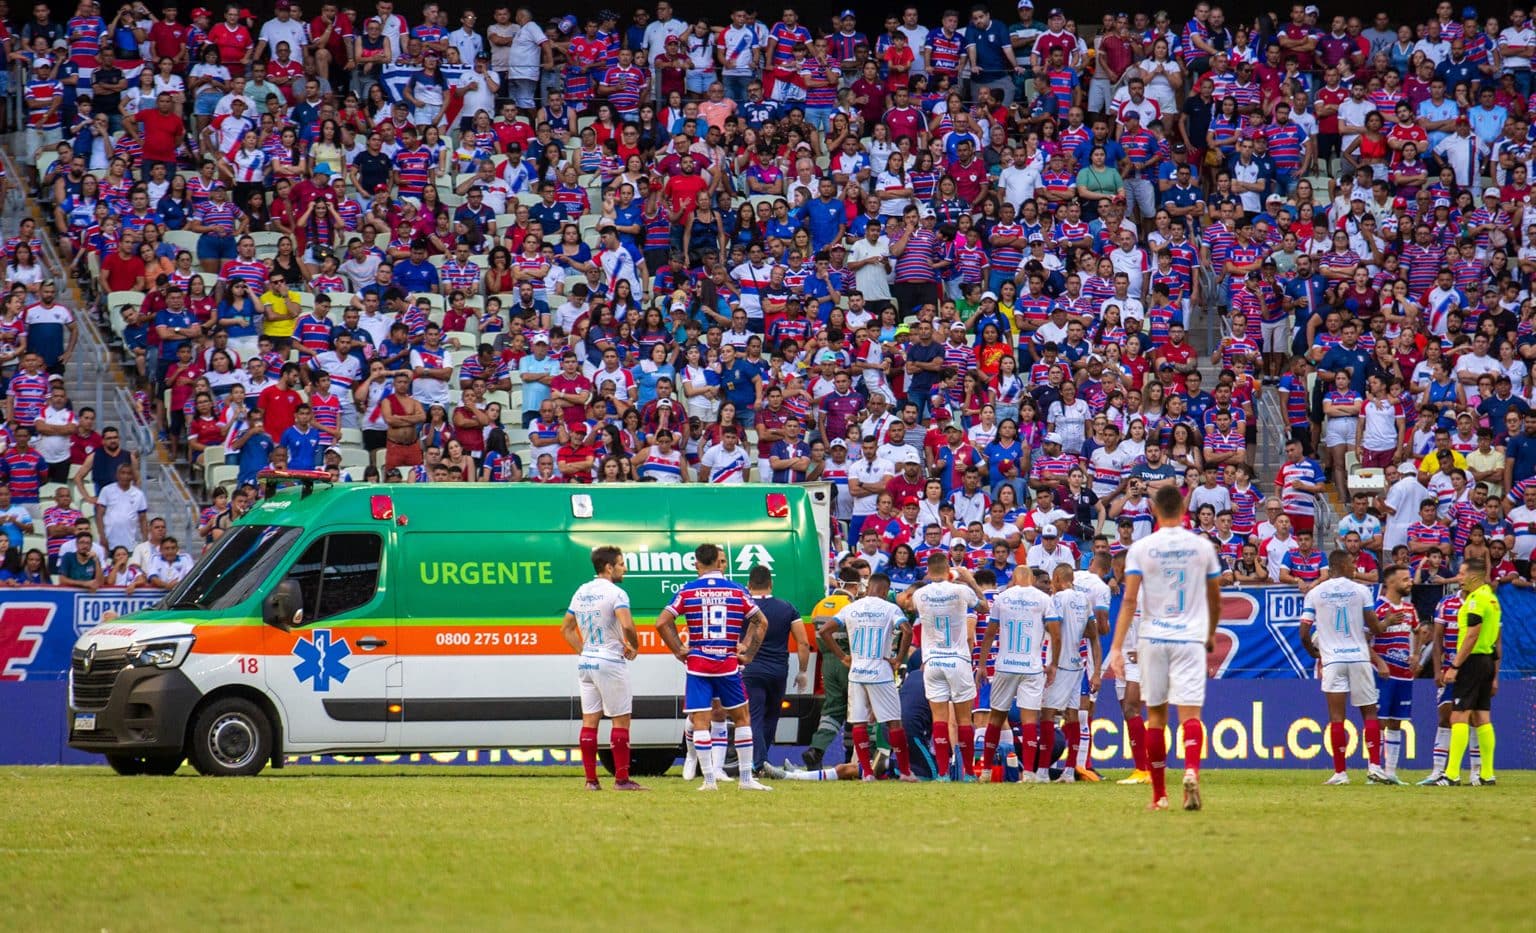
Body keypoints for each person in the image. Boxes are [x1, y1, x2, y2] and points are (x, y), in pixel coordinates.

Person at [1108, 484, 1221, 811]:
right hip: (1189, 638)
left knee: (1155, 717)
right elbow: (1215, 597)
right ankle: (1190, 771)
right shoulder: (1201, 547)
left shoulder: (1142, 548)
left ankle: (1159, 796)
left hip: (1154, 638)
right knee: (1190, 714)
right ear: (1185, 510)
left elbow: (1129, 601)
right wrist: (1210, 633)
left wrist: (1117, 647)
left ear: (1154, 510)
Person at [654, 543, 771, 791]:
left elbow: (662, 622)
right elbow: (761, 621)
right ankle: (746, 779)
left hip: (698, 664)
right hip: (727, 663)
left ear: (697, 563)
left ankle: (708, 781)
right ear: (719, 563)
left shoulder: (687, 591)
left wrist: (678, 650)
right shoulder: (737, 590)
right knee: (742, 719)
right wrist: (748, 652)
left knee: (700, 721)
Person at [816, 572, 918, 782]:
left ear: (869, 587)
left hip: (857, 672)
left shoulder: (851, 608)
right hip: (880, 671)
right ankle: (906, 772)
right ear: (885, 590)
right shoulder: (890, 608)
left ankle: (867, 773)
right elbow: (907, 630)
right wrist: (898, 659)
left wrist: (843, 656)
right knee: (894, 723)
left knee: (859, 723)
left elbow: (825, 631)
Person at [1298, 550, 1387, 785]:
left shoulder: (1315, 593)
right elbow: (1375, 627)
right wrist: (1385, 623)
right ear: (1341, 565)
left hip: (1333, 660)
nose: (1354, 567)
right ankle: (1375, 767)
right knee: (1369, 712)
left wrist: (1313, 652)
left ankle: (1340, 773)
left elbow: (1304, 632)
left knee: (1337, 717)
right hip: (1358, 657)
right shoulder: (1361, 590)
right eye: (1351, 564)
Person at [561, 545, 646, 791]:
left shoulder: (581, 591)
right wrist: (634, 645)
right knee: (620, 721)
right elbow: (627, 624)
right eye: (621, 564)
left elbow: (565, 629)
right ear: (609, 567)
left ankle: (591, 781)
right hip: (609, 660)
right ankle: (621, 779)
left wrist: (584, 650)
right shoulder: (616, 593)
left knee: (589, 722)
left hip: (586, 661)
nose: (624, 568)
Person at [896, 551, 983, 781]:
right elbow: (983, 606)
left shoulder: (921, 594)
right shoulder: (961, 589)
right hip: (958, 660)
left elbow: (902, 600)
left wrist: (926, 581)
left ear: (927, 570)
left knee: (939, 719)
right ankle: (969, 773)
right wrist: (969, 579)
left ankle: (943, 773)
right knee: (964, 720)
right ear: (948, 570)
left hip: (932, 661)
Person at [976, 565, 1059, 782]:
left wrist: (982, 665)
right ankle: (1030, 772)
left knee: (995, 718)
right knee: (1030, 719)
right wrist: (1053, 664)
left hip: (1005, 665)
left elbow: (989, 634)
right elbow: (1056, 635)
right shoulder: (1043, 599)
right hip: (1031, 666)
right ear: (1031, 578)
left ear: (1013, 578)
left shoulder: (1003, 598)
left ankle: (985, 771)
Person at [742, 564, 813, 778]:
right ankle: (761, 761)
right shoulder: (787, 608)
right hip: (778, 671)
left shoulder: (744, 608)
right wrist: (802, 672)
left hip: (751, 669)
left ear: (749, 584)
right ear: (771, 584)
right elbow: (803, 643)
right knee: (772, 716)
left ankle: (758, 763)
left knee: (754, 716)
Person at [1437, 557, 1501, 786]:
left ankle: (1451, 774)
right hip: (1486, 660)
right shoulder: (1492, 599)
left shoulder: (1475, 599)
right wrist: (1494, 672)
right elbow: (1494, 637)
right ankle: (1487, 774)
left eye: (1462, 574)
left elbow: (1472, 634)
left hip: (1472, 662)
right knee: (1482, 716)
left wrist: (1455, 666)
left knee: (1459, 715)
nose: (1459, 579)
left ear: (1474, 576)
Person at [1372, 566, 1419, 785]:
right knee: (1379, 722)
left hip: (1404, 674)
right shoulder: (1378, 607)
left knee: (1396, 723)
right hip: (1383, 674)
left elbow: (1418, 632)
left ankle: (1390, 772)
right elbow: (1364, 640)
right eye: (1406, 579)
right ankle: (1375, 771)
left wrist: (1416, 654)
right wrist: (1380, 662)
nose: (1410, 582)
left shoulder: (1410, 609)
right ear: (1391, 583)